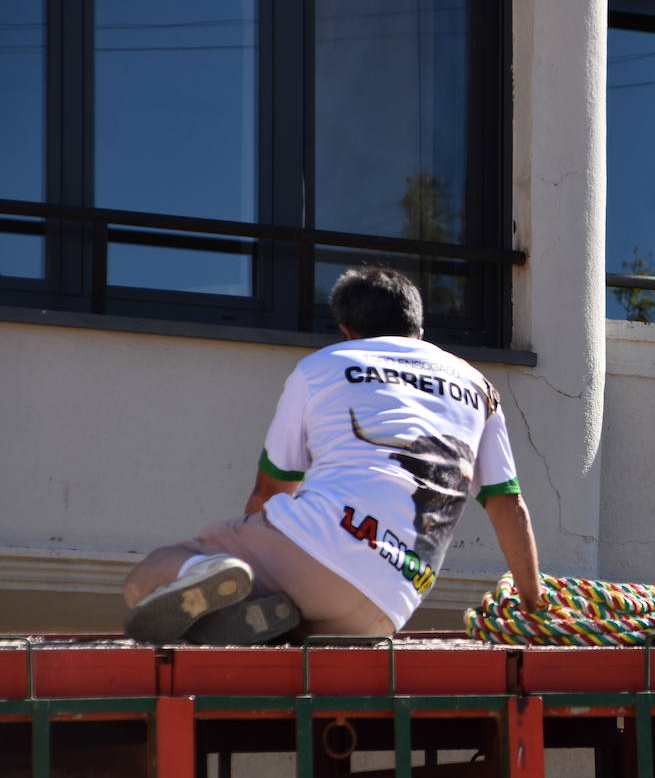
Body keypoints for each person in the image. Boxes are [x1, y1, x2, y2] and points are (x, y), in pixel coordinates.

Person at [121, 266, 544, 644]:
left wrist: (242, 547)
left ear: (345, 328)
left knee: (152, 574)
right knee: (284, 623)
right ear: (418, 327)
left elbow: (271, 489)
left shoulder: (323, 365)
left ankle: (212, 575)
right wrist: (533, 604)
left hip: (314, 552)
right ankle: (268, 614)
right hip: (388, 605)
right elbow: (509, 504)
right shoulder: (478, 387)